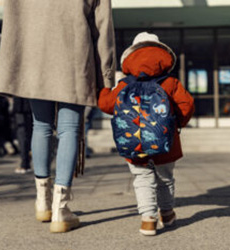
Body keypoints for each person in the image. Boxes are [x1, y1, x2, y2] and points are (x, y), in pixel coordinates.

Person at [0, 0, 116, 233]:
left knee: (40, 125)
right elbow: (103, 27)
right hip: (74, 57)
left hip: (33, 60)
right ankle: (60, 209)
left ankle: (43, 202)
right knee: (69, 129)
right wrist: (107, 74)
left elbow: (11, 23)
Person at [98, 32, 195, 236]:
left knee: (142, 178)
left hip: (134, 143)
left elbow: (106, 105)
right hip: (166, 140)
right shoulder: (170, 83)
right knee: (165, 178)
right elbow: (187, 106)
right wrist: (177, 124)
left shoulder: (125, 85)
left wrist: (105, 90)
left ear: (130, 57)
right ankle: (167, 214)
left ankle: (147, 220)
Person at [13, 97, 33, 174]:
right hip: (32, 101)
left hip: (21, 103)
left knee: (22, 132)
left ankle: (25, 162)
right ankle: (26, 160)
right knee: (30, 131)